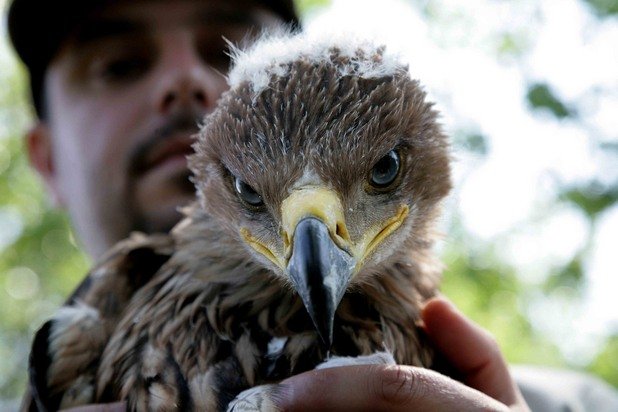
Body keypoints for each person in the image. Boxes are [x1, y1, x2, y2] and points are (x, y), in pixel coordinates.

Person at [6, 1, 616, 411]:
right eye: (120, 65)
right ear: (48, 159)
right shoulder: (90, 324)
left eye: (231, 49)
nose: (187, 81)